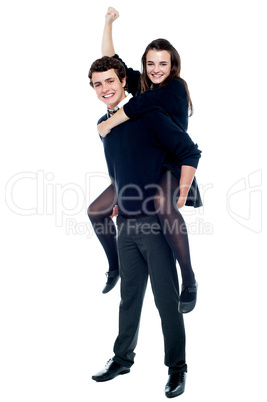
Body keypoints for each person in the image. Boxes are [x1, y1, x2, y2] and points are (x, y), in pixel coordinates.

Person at [88, 55, 201, 398]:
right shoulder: (104, 126)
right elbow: (117, 168)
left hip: (154, 225)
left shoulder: (149, 115)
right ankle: (122, 359)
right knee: (129, 299)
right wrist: (120, 195)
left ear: (124, 82)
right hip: (125, 225)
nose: (105, 88)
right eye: (97, 84)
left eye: (110, 81)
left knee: (167, 303)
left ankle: (177, 369)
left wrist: (179, 196)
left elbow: (189, 151)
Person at [88, 7, 202, 314]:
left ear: (173, 65)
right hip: (141, 164)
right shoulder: (142, 84)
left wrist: (107, 124)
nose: (155, 68)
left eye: (162, 63)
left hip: (169, 163)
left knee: (164, 207)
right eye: (150, 63)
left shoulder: (174, 88)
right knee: (96, 211)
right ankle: (115, 266)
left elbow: (138, 108)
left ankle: (189, 278)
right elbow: (112, 66)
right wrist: (109, 23)